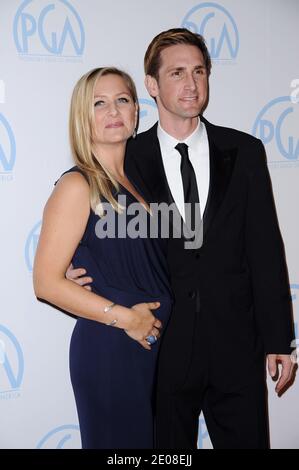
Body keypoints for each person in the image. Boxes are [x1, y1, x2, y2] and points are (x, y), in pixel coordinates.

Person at [67, 29, 296, 449]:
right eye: (177, 73)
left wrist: (280, 338)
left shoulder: (244, 151)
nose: (191, 84)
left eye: (199, 72)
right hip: (159, 348)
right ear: (152, 85)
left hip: (237, 347)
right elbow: (88, 213)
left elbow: (265, 249)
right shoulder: (126, 158)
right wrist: (75, 264)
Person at [33, 67, 173, 449]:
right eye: (99, 103)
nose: (113, 110)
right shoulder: (78, 185)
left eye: (122, 100)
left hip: (152, 347)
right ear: (82, 116)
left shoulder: (141, 182)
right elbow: (46, 283)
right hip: (112, 347)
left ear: (136, 113)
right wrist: (127, 318)